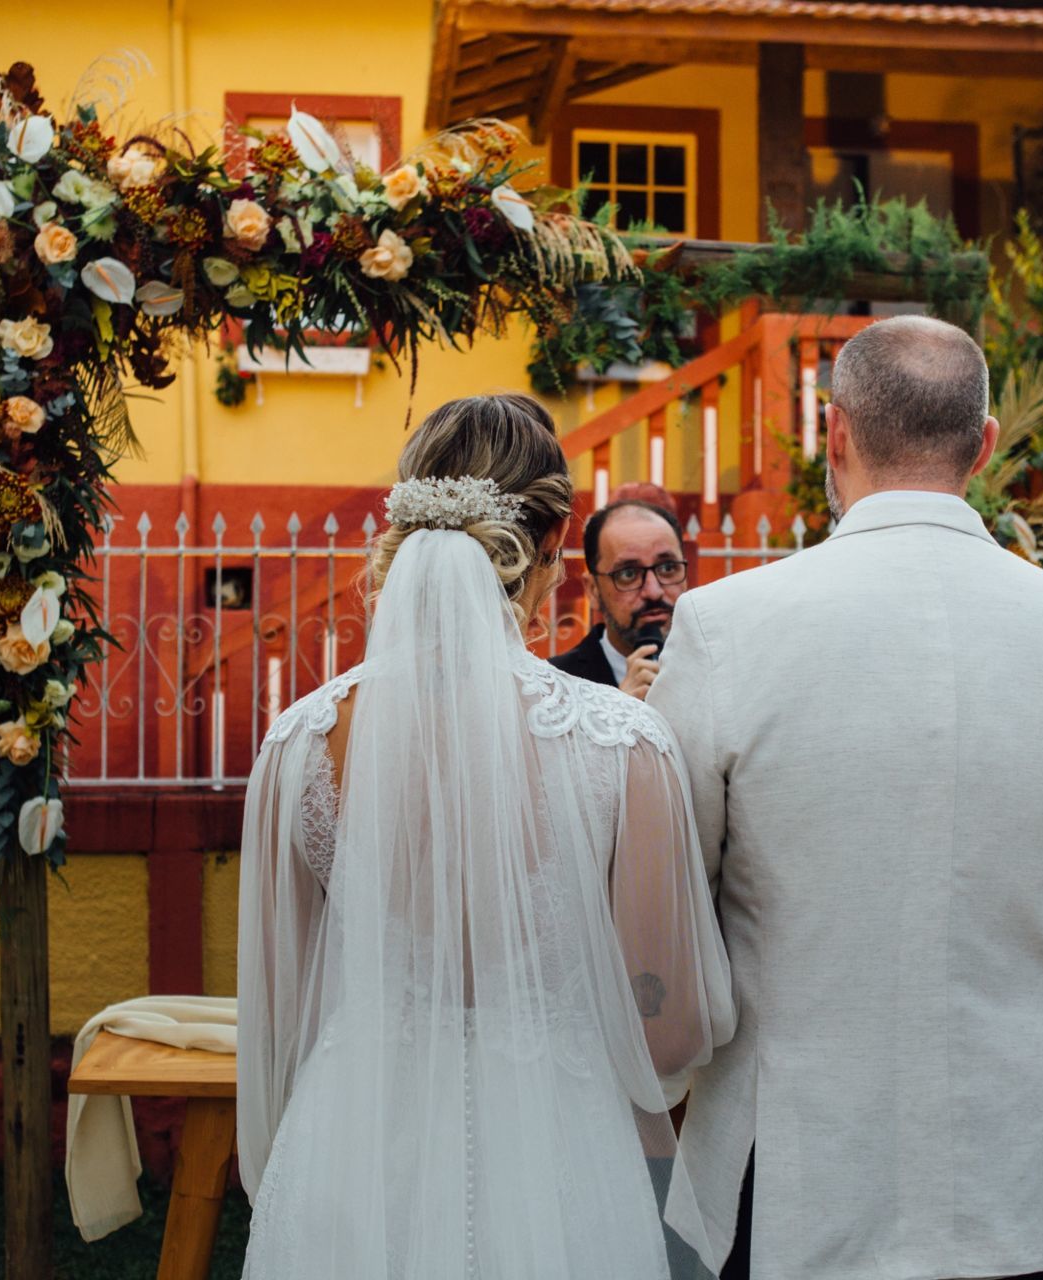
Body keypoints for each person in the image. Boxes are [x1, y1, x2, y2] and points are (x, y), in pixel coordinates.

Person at [649, 317, 1043, 1280]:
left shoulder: (727, 626)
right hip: (1013, 1167)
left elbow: (676, 897)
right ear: (987, 444)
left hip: (793, 1160)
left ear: (832, 434)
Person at [236, 393, 735, 1279]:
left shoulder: (298, 744)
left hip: (352, 1150)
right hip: (558, 1153)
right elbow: (668, 1027)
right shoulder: (623, 745)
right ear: (553, 549)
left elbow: (278, 1018)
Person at [550, 496, 689, 700]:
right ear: (593, 590)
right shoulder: (556, 686)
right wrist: (619, 711)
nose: (653, 591)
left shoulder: (719, 668)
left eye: (668, 568)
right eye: (628, 574)